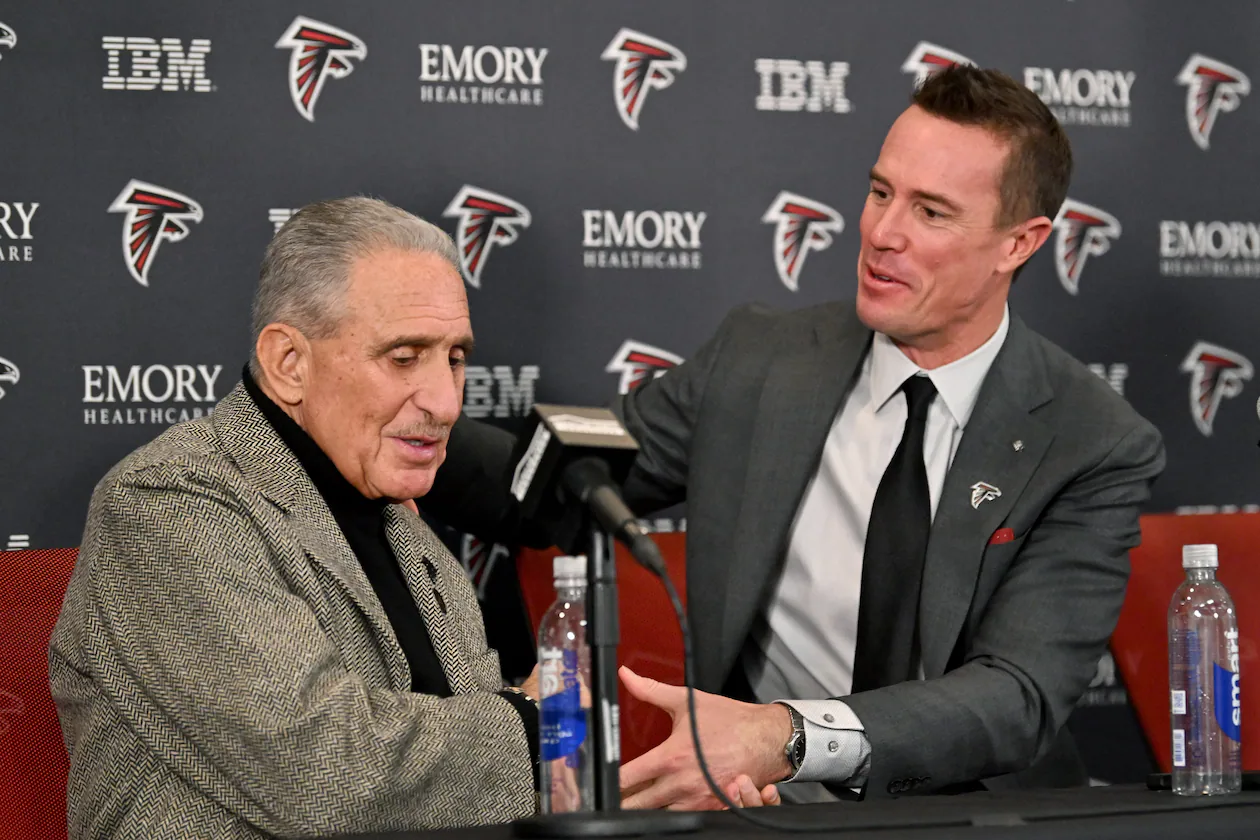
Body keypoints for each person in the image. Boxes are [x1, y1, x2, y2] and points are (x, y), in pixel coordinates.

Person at [422, 65, 1166, 809]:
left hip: (979, 815)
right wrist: (382, 417)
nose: (882, 233)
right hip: (767, 818)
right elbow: (552, 484)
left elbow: (1017, 695)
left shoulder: (1091, 440)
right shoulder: (760, 359)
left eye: (931, 213)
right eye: (880, 192)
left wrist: (788, 735)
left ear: (1019, 243)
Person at [50, 198, 546, 839]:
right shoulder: (165, 502)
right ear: (289, 363)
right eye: (403, 357)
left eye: (454, 357)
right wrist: (540, 722)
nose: (446, 402)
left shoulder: (395, 513)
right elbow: (330, 778)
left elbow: (465, 746)